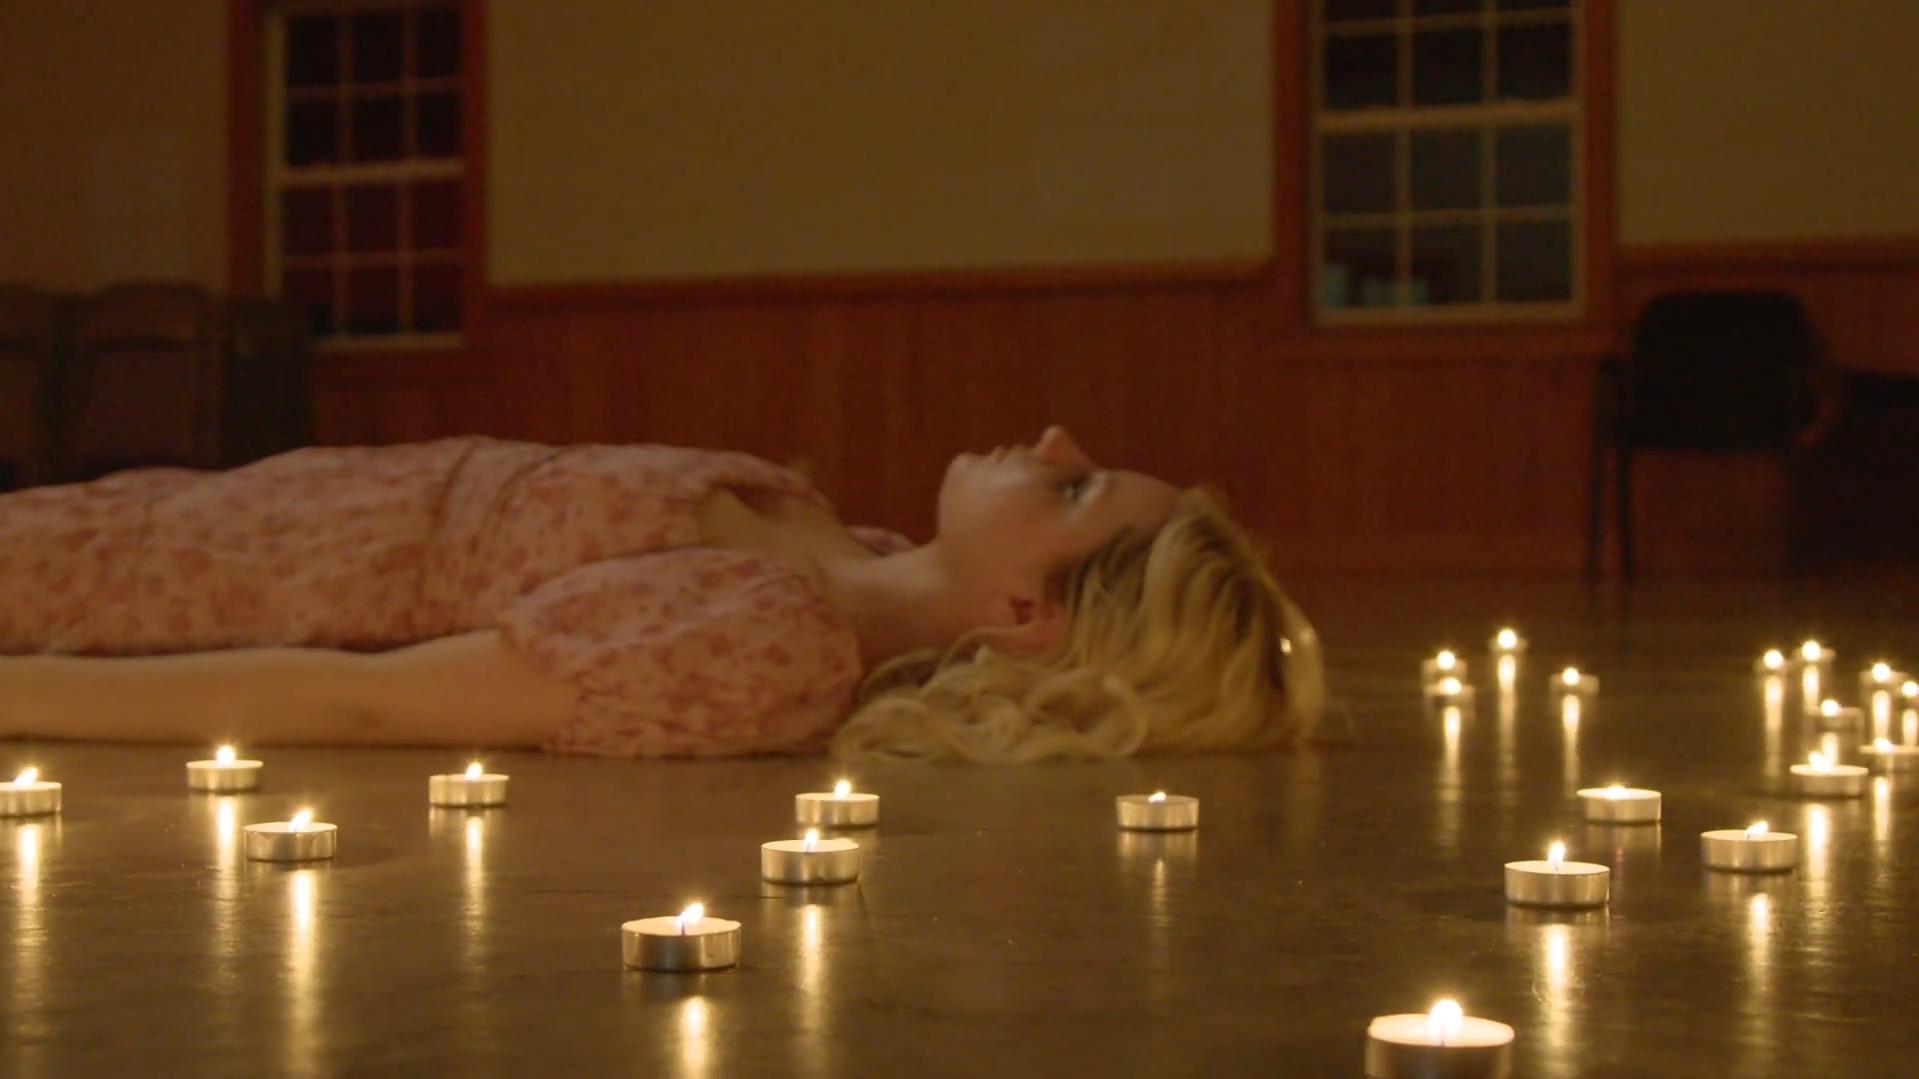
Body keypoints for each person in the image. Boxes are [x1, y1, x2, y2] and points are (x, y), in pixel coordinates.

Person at [0, 426, 1320, 762]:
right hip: (179, 514)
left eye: (1074, 492)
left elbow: (363, 704)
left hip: (129, 602)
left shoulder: (767, 641)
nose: (1050, 441)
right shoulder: (836, 539)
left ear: (1026, 614)